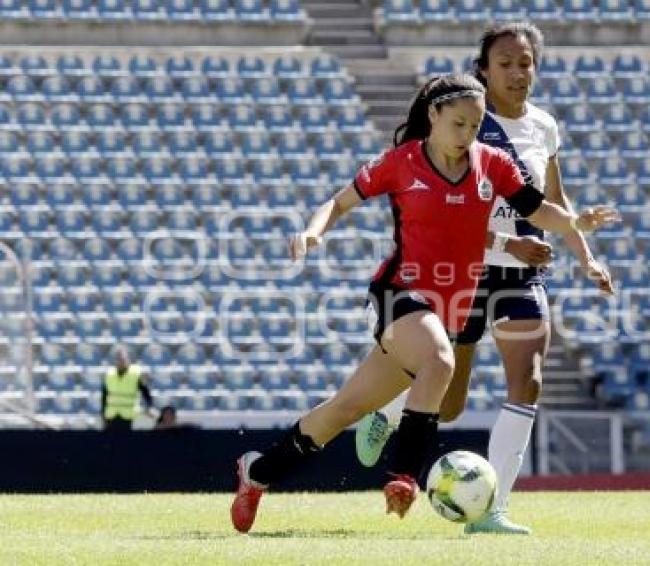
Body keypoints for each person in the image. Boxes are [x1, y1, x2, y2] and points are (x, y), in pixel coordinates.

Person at [230, 73, 619, 533]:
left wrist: (577, 223)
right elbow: (338, 203)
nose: (466, 136)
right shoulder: (400, 162)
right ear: (433, 116)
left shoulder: (492, 164)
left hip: (446, 309)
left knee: (343, 411)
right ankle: (404, 477)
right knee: (440, 361)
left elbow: (538, 209)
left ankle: (256, 473)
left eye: (475, 126)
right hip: (399, 293)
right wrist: (314, 232)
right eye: (458, 124)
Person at [354, 22, 613, 535]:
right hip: (463, 272)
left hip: (522, 277)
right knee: (448, 405)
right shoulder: (465, 126)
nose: (518, 73)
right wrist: (504, 243)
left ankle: (494, 511)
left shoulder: (544, 127)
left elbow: (553, 204)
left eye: (525, 63)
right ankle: (390, 408)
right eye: (506, 64)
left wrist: (586, 256)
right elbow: (441, 214)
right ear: (484, 70)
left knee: (530, 379)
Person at [101, 347, 155, 432]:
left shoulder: (136, 373)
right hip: (111, 416)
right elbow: (104, 396)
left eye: (123, 359)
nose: (121, 362)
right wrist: (103, 414)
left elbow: (146, 392)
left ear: (128, 359)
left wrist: (149, 407)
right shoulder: (109, 374)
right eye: (119, 359)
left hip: (129, 416)